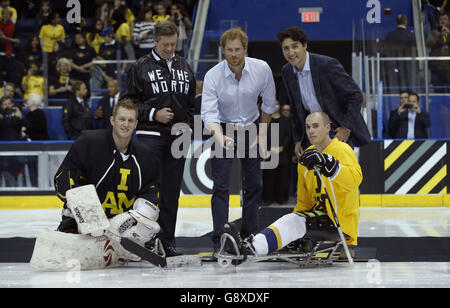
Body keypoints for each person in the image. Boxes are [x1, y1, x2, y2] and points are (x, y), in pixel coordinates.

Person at [223, 111, 362, 260]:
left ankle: (250, 248)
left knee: (294, 222)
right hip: (318, 218)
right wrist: (298, 235)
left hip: (339, 222)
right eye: (308, 127)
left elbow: (355, 179)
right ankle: (249, 246)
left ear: (328, 128)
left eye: (316, 126)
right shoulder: (308, 155)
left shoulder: (342, 149)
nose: (311, 131)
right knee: (293, 220)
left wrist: (330, 165)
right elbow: (304, 201)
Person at [122, 20, 196, 256]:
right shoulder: (140, 66)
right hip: (149, 135)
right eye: (165, 44)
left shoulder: (184, 65)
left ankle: (166, 242)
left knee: (172, 192)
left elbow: (192, 102)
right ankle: (139, 240)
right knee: (147, 191)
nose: (169, 49)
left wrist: (188, 125)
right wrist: (154, 113)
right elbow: (128, 102)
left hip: (178, 136)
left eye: (173, 44)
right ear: (154, 41)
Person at [201, 27, 276, 252]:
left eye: (237, 49)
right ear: (222, 50)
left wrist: (262, 133)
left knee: (254, 185)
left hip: (252, 127)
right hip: (222, 127)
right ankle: (220, 241)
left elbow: (270, 104)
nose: (233, 54)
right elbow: (208, 113)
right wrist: (218, 135)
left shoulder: (262, 69)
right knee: (221, 187)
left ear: (245, 49)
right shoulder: (213, 75)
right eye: (229, 50)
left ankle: (250, 237)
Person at [55, 98, 160, 242]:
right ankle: (72, 230)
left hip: (121, 226)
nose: (126, 124)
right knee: (72, 210)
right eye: (122, 119)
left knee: (149, 217)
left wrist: (137, 216)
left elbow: (151, 191)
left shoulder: (146, 156)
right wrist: (88, 212)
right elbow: (63, 178)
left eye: (130, 121)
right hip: (85, 221)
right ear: (112, 120)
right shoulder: (88, 143)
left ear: (136, 124)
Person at [277, 26, 370, 158]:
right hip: (311, 133)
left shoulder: (326, 65)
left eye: (294, 46)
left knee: (338, 176)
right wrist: (298, 139)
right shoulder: (287, 71)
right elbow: (296, 110)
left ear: (304, 45)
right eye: (286, 48)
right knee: (316, 177)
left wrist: (346, 127)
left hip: (336, 130)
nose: (290, 52)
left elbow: (356, 95)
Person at [262, 100, 292, 205]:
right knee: (269, 177)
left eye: (277, 104)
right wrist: (269, 148)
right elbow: (262, 136)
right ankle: (268, 199)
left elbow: (289, 135)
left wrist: (282, 147)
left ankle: (281, 198)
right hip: (269, 154)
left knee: (282, 176)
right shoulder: (266, 120)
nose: (275, 106)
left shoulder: (285, 120)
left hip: (282, 153)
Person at [426, 12, 450, 93]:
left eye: (444, 19)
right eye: (440, 19)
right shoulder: (434, 32)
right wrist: (438, 34)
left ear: (449, 21)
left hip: (448, 68)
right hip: (436, 68)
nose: (442, 21)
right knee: (438, 91)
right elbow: (428, 44)